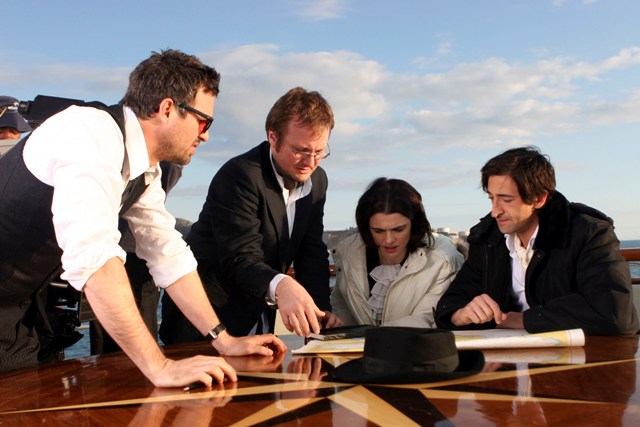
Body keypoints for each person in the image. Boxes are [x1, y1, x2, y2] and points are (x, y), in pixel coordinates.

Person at [0, 49, 285, 388]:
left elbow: (167, 253)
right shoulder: (89, 135)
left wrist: (223, 339)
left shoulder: (142, 170)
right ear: (167, 109)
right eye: (203, 121)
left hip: (20, 309)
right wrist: (159, 367)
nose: (206, 135)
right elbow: (95, 259)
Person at [160, 87, 342, 342]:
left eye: (319, 152)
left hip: (257, 318)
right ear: (273, 137)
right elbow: (240, 258)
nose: (310, 162)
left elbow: (310, 251)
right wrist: (283, 285)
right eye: (300, 150)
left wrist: (321, 310)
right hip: (205, 322)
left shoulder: (318, 181)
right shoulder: (240, 175)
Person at [435, 145, 639, 335]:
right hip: (510, 360)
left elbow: (615, 314)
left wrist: (524, 320)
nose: (495, 211)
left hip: (584, 362)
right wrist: (461, 315)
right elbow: (450, 303)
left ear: (539, 198)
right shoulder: (487, 238)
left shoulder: (589, 233)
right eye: (491, 198)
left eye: (506, 200)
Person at [330, 178, 464, 328]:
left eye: (398, 229)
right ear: (366, 228)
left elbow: (427, 320)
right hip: (363, 350)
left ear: (414, 224)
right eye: (378, 231)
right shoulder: (349, 252)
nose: (388, 240)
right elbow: (342, 310)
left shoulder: (443, 259)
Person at [89, 161, 183, 355]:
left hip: (125, 255)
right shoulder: (157, 163)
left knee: (115, 338)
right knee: (111, 336)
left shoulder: (153, 167)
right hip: (116, 255)